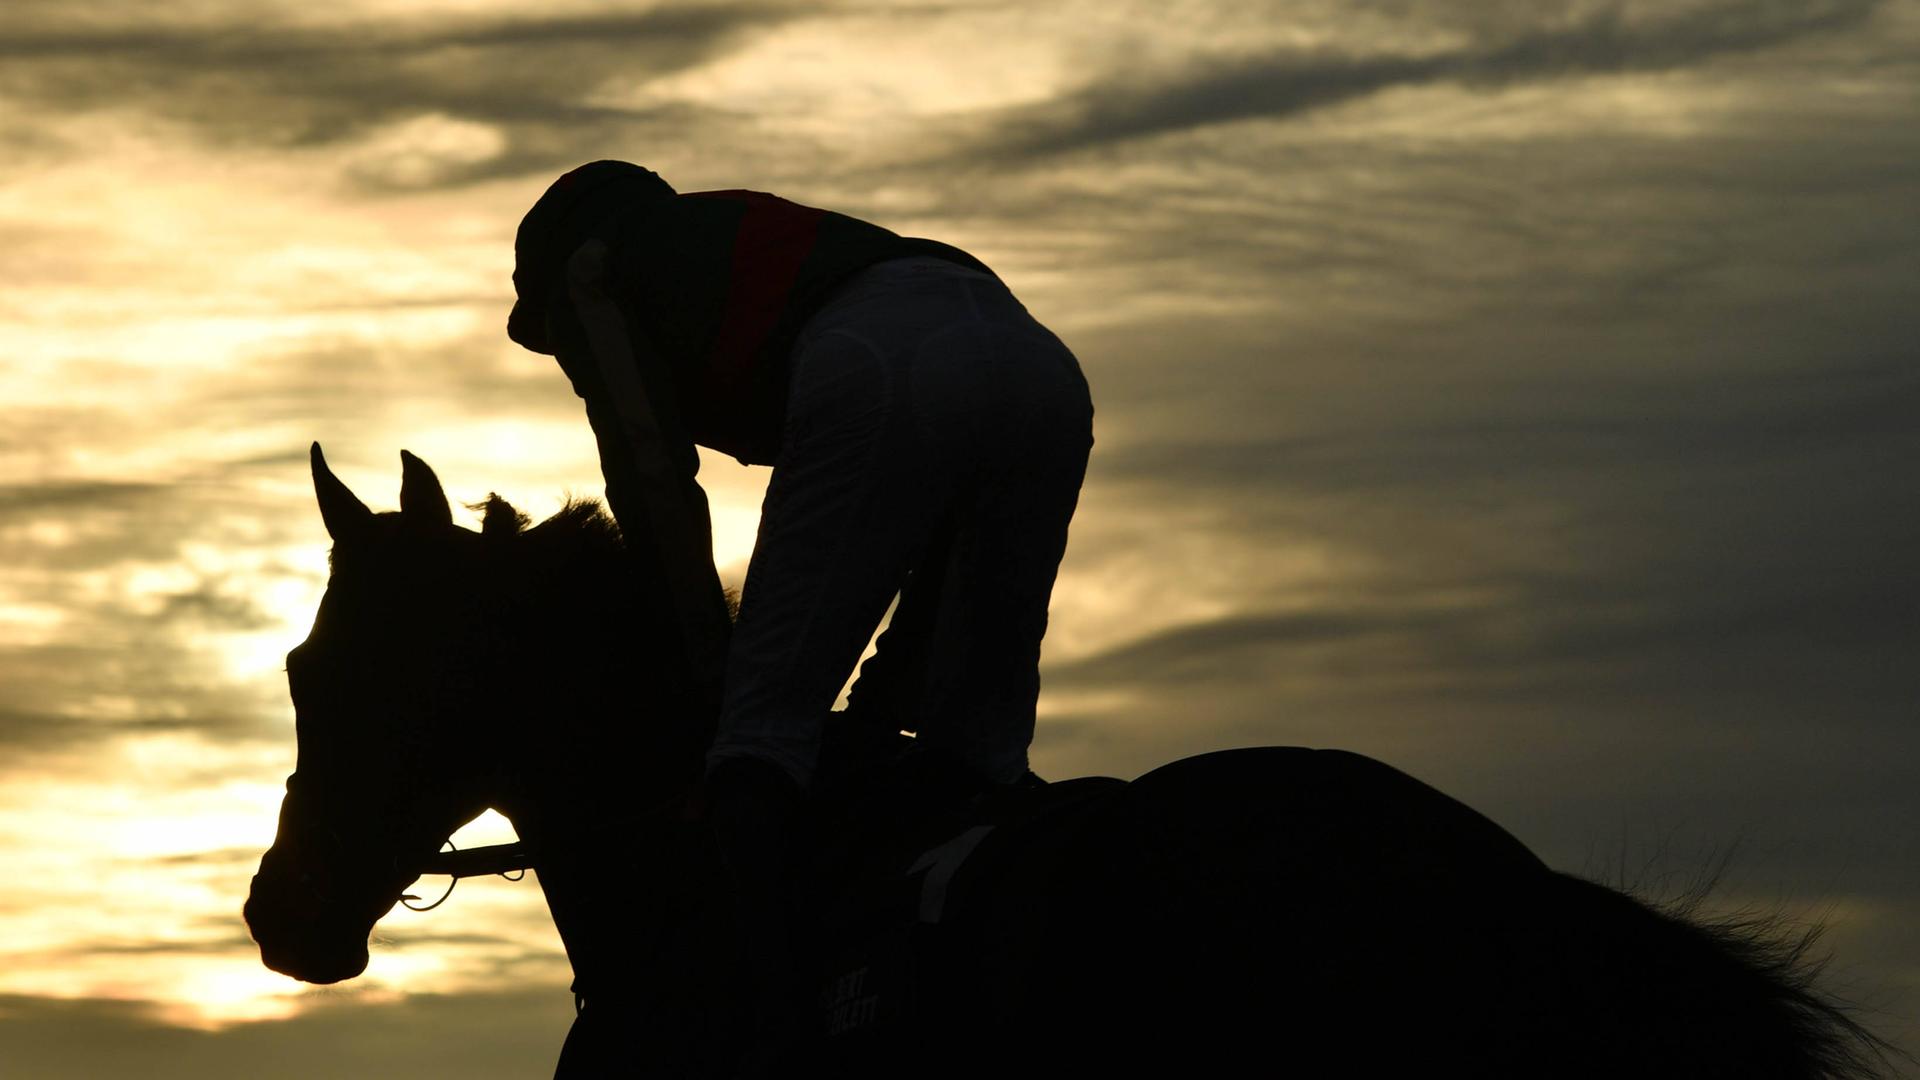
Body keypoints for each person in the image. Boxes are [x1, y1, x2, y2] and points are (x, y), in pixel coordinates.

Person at [509, 160, 1092, 1067]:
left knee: (759, 743)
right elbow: (927, 534)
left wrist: (719, 680)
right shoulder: (741, 237)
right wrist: (883, 701)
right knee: (973, 752)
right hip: (1038, 359)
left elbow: (653, 480)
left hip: (877, 353)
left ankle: (772, 1031)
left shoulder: (589, 275)